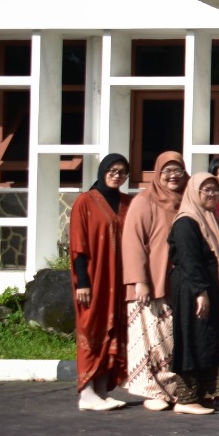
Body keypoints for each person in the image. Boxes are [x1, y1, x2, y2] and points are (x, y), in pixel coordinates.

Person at [121, 151, 188, 411]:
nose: (173, 176)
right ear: (157, 174)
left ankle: (172, 390)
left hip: (178, 282)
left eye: (178, 170)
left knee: (171, 340)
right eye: (166, 171)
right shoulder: (144, 201)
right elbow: (133, 242)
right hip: (150, 284)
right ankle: (152, 391)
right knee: (151, 341)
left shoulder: (188, 200)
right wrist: (140, 280)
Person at [69, 153, 132, 411]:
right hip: (94, 279)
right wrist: (82, 282)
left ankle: (102, 391)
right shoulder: (85, 202)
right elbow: (78, 244)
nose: (117, 176)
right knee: (92, 327)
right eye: (112, 170)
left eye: (122, 172)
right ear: (103, 171)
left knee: (114, 330)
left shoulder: (127, 203)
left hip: (120, 280)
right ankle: (86, 393)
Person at [166, 172, 219, 415]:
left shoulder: (209, 219)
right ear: (194, 192)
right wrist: (200, 292)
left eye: (215, 189)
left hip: (206, 288)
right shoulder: (186, 222)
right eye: (207, 190)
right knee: (192, 339)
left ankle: (202, 394)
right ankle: (186, 398)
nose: (212, 194)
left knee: (205, 339)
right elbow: (189, 260)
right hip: (191, 290)